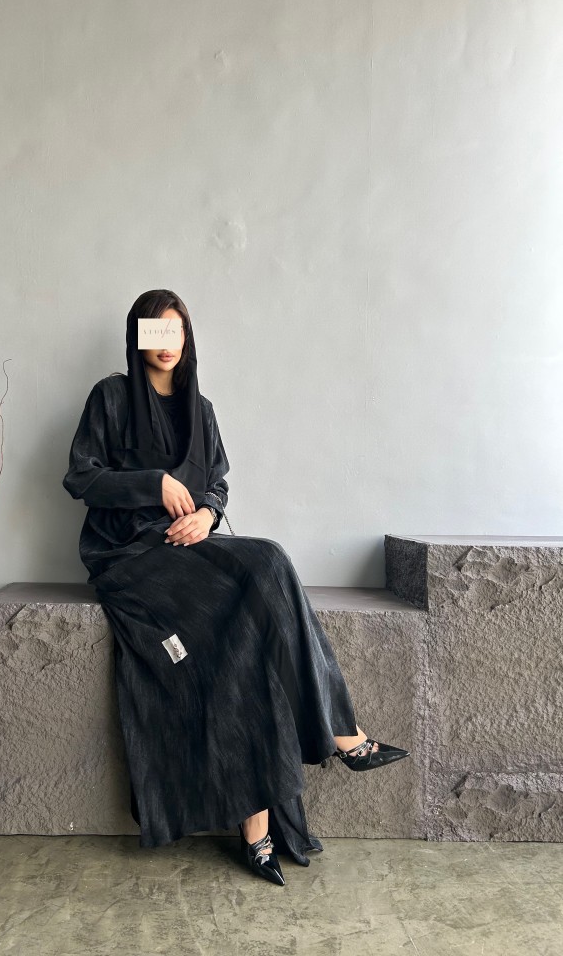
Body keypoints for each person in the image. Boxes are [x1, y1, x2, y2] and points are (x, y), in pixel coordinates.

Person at [62, 289, 409, 887]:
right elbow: (80, 477)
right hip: (128, 556)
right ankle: (338, 738)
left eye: (176, 331)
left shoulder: (201, 409)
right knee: (251, 598)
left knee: (265, 570)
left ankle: (263, 819)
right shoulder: (111, 397)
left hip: (187, 548)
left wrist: (208, 515)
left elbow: (218, 483)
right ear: (138, 338)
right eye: (155, 332)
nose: (167, 343)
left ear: (187, 338)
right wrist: (152, 483)